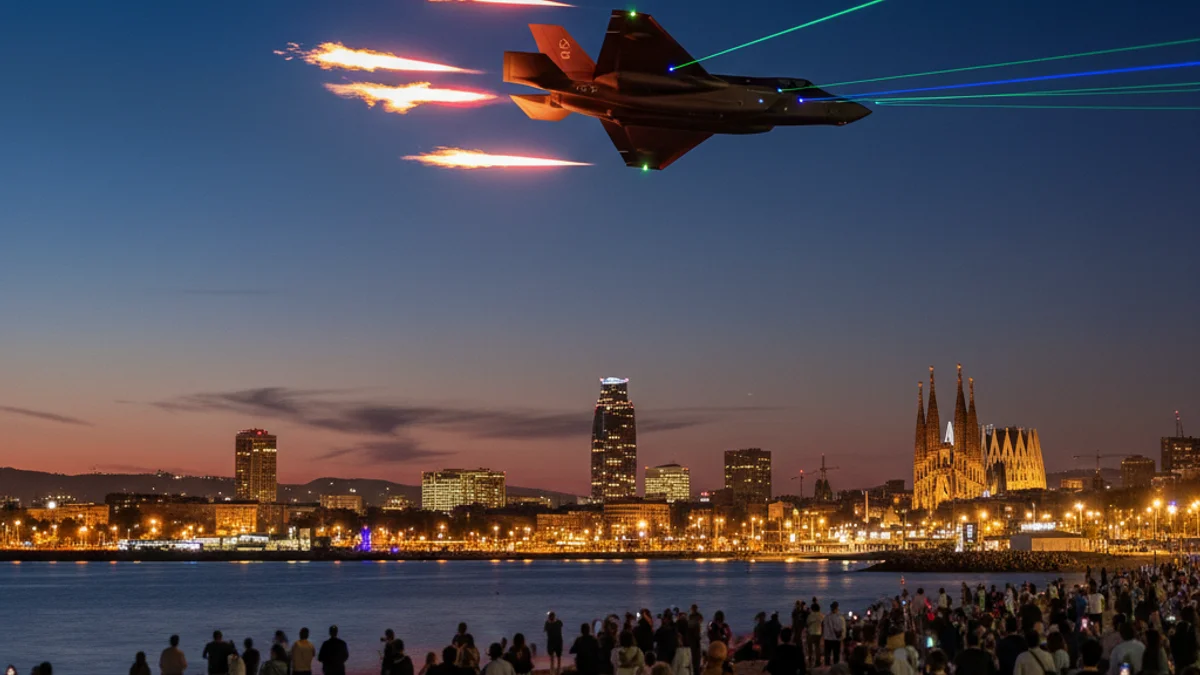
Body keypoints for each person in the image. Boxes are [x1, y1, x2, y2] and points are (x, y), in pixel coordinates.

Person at [822, 602, 846, 666]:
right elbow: (840, 629)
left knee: (827, 656)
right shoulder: (839, 617)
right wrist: (842, 637)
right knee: (836, 656)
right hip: (835, 639)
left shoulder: (826, 617)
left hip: (827, 638)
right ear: (837, 608)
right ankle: (835, 669)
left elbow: (823, 626)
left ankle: (827, 668)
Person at [806, 603, 824, 669]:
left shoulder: (810, 615)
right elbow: (823, 623)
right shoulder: (821, 615)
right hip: (818, 633)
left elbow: (807, 623)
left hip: (811, 633)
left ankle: (810, 658)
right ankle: (818, 661)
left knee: (810, 646)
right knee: (817, 647)